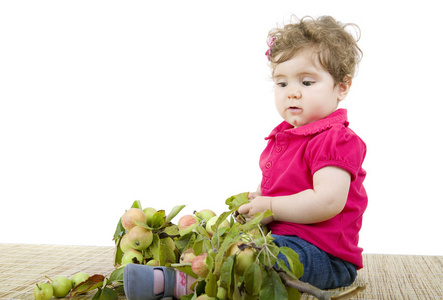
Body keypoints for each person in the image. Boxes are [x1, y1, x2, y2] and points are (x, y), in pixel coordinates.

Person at [123, 15, 367, 299]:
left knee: (260, 263)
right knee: (221, 245)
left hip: (323, 254)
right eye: (282, 83)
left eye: (307, 82)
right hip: (275, 240)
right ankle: (181, 267)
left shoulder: (336, 140)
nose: (293, 94)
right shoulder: (285, 136)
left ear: (342, 87)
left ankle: (181, 283)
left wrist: (271, 207)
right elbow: (276, 188)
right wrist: (256, 205)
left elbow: (327, 201)